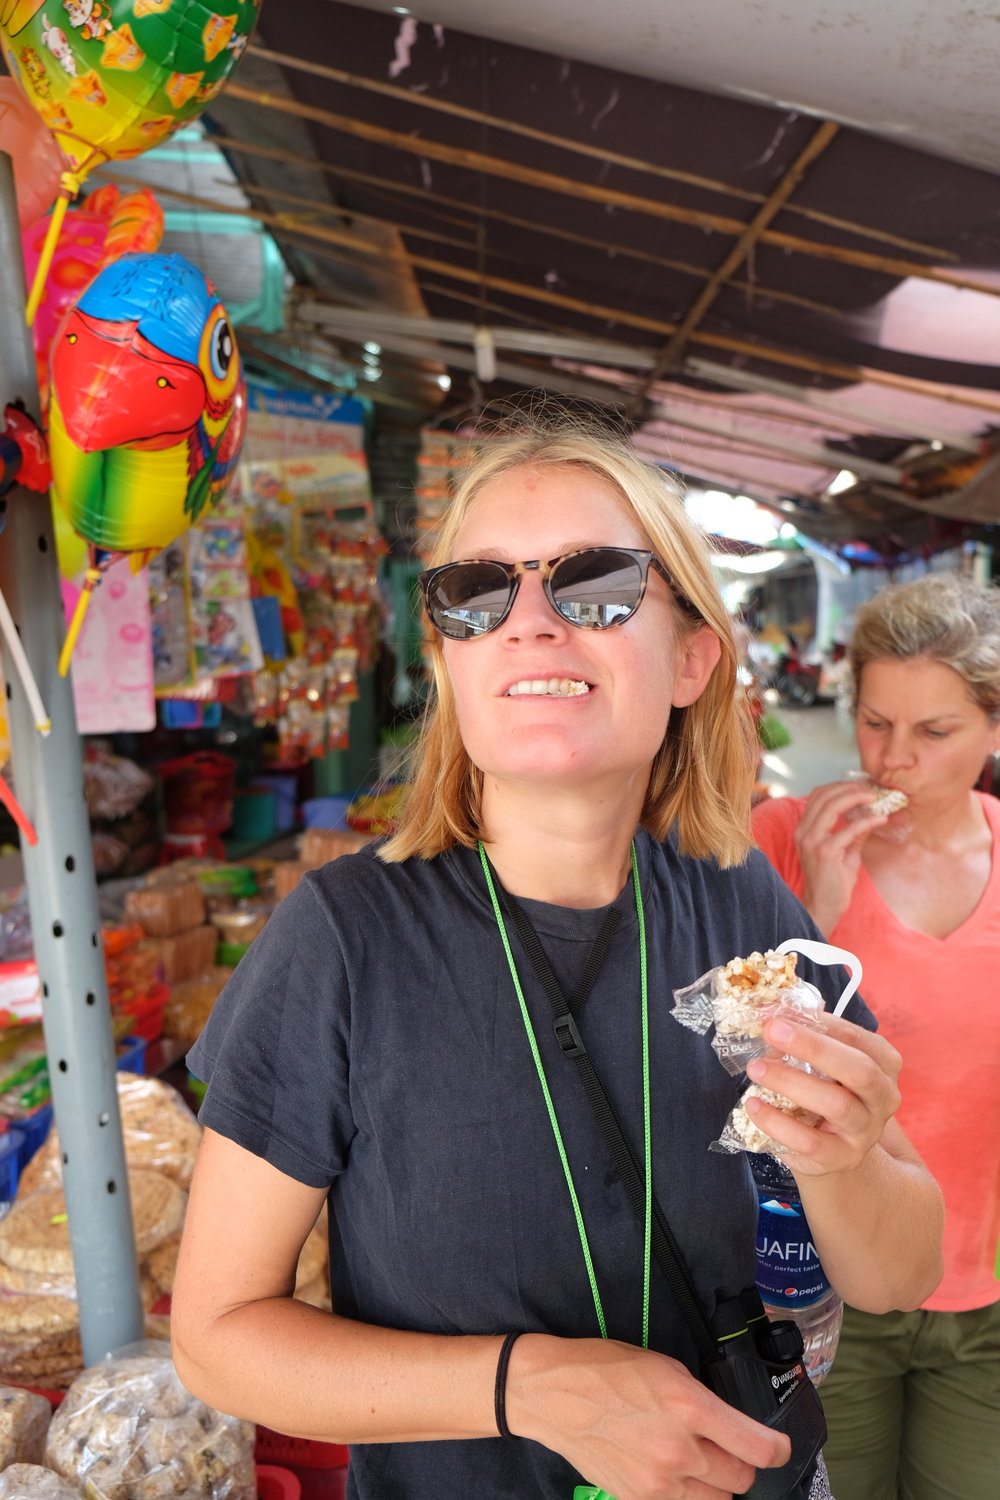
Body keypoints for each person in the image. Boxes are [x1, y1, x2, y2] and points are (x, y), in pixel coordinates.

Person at [172, 420, 943, 1500]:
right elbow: (215, 1339)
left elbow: (900, 1273)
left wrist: (847, 1156)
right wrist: (528, 1389)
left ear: (691, 658)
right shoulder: (342, 941)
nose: (529, 621)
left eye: (596, 584)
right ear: (448, 662)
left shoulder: (745, 906)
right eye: (476, 592)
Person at [751, 572, 1000, 1500]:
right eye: (875, 722)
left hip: (983, 1289)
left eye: (934, 732)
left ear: (993, 729)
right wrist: (814, 907)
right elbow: (718, 1057)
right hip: (816, 1281)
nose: (894, 759)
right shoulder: (779, 838)